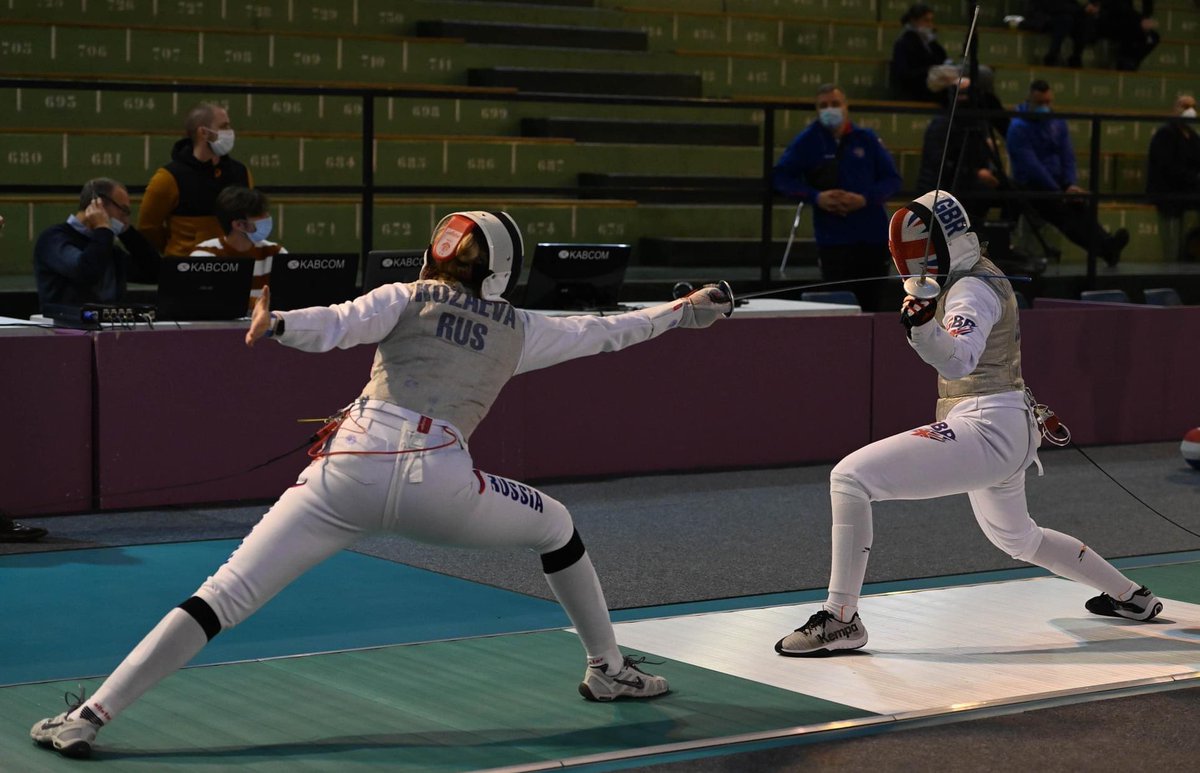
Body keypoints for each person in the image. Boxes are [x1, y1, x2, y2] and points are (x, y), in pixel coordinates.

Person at [30, 210, 733, 759]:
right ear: (502, 271)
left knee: (224, 593)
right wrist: (692, 309)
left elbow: (337, 322)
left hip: (348, 469)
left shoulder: (405, 295)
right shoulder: (522, 327)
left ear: (441, 252)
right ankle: (605, 667)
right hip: (442, 482)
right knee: (557, 524)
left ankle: (91, 714)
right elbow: (609, 329)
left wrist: (276, 323)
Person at [774, 190, 1163, 658]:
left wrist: (921, 327)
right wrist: (925, 318)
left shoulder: (971, 289)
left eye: (919, 249)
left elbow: (959, 360)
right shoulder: (977, 274)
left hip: (989, 426)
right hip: (1009, 424)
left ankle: (840, 620)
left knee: (851, 477)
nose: (912, 261)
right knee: (1019, 538)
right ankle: (1132, 598)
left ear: (942, 244)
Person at [773, 84, 904, 311]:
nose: (829, 109)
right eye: (823, 105)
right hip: (833, 240)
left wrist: (865, 198)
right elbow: (781, 177)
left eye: (835, 104)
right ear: (816, 109)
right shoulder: (808, 141)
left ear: (846, 107)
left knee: (873, 303)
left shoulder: (866, 139)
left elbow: (892, 180)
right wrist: (816, 196)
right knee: (838, 305)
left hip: (872, 236)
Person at [1006, 80, 1129, 266]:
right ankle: (1106, 249)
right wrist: (1059, 192)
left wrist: (1070, 184)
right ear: (1029, 99)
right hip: (1033, 186)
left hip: (1059, 183)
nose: (1045, 107)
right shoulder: (1018, 127)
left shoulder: (1057, 121)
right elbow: (1032, 166)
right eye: (1040, 103)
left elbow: (1067, 155)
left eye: (1048, 102)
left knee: (1081, 206)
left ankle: (1107, 244)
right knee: (1065, 214)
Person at [137, 102, 253, 257]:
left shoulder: (241, 172)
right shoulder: (168, 177)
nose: (230, 132)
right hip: (187, 271)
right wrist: (177, 249)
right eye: (224, 126)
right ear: (203, 132)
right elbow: (148, 227)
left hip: (234, 270)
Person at [33, 178, 160, 312]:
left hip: (111, 329)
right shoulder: (53, 239)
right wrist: (103, 228)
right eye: (124, 210)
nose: (126, 219)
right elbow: (87, 271)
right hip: (67, 329)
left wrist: (127, 233)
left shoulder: (107, 248)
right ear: (99, 204)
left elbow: (154, 273)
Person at [190, 186, 286, 311]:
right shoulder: (204, 256)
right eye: (259, 215)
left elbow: (288, 299)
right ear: (239, 224)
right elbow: (207, 304)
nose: (267, 217)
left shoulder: (275, 252)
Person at [1146, 94, 1200, 262]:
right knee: (1172, 244)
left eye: (1192, 106)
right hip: (1169, 193)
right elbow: (1168, 168)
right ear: (1175, 109)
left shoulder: (1194, 137)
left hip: (1190, 193)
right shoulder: (1165, 134)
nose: (1189, 111)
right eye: (1184, 106)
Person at [889, 4, 955, 103]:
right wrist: (930, 71)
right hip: (918, 90)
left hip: (939, 86)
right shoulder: (903, 44)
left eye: (931, 21)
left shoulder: (932, 44)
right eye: (926, 21)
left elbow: (943, 60)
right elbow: (903, 75)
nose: (930, 25)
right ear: (913, 21)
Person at [1092, 0, 1159, 71]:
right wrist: (1141, 20)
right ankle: (1126, 61)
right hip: (1109, 22)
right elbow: (1117, 7)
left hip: (1127, 22)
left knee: (1153, 37)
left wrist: (1145, 18)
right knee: (1129, 32)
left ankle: (1131, 60)